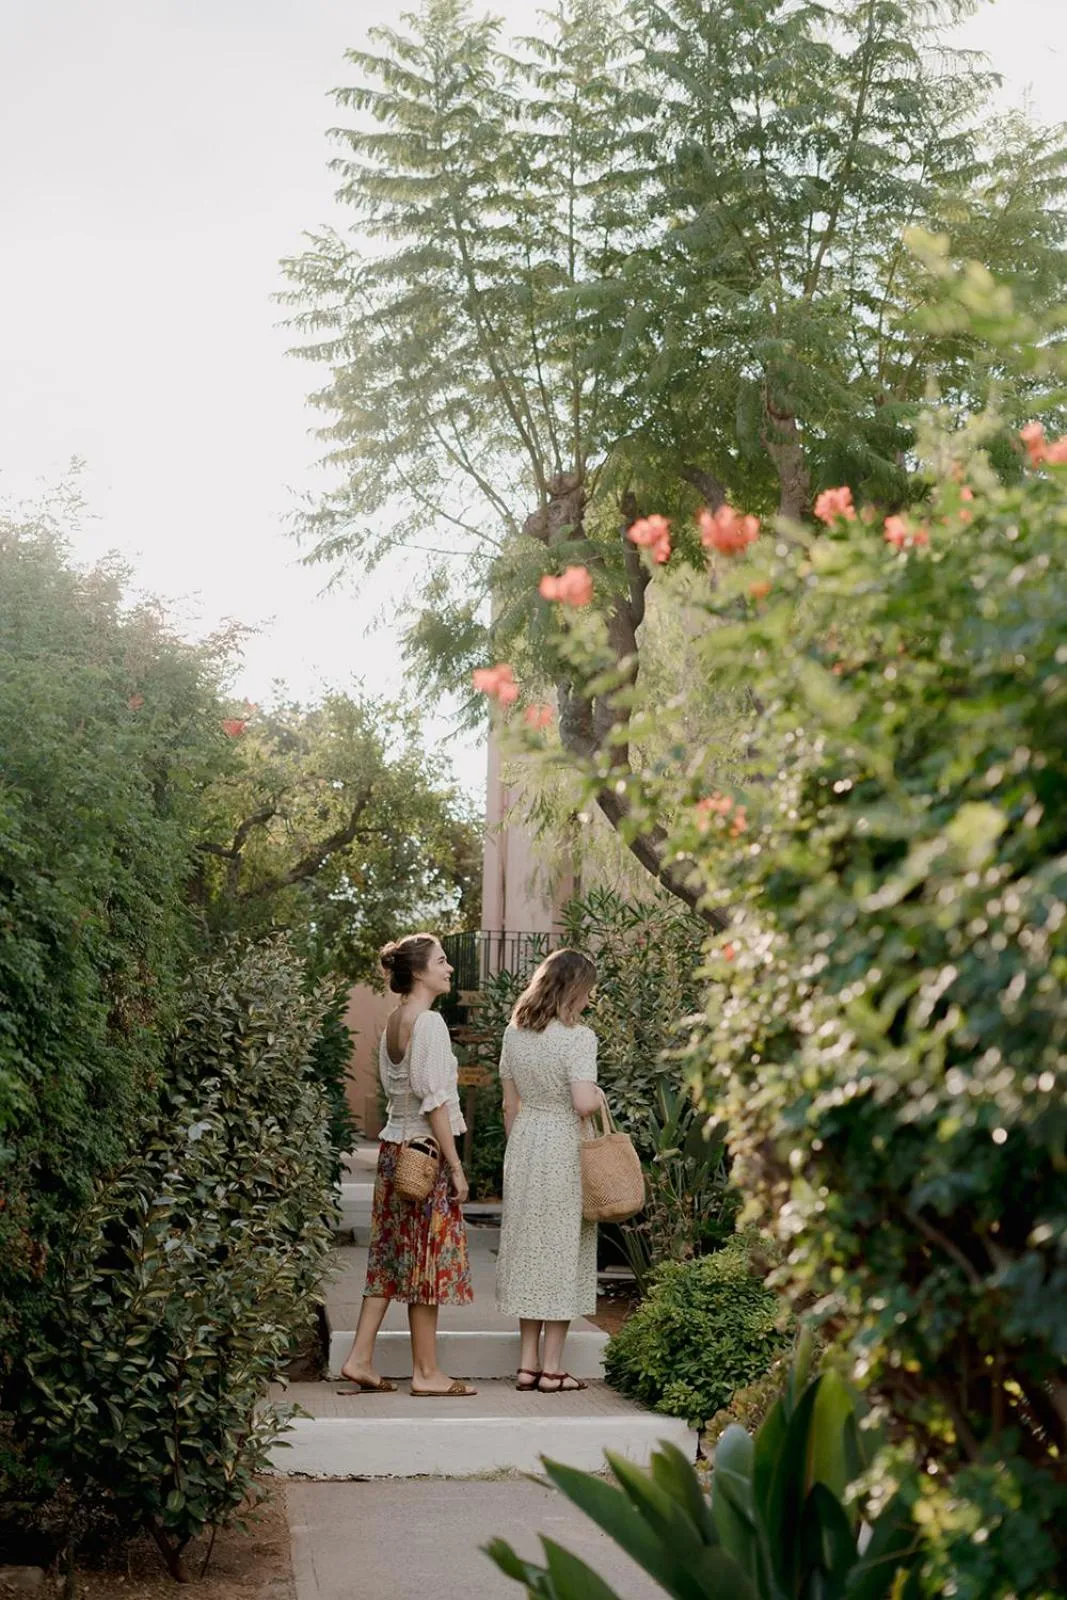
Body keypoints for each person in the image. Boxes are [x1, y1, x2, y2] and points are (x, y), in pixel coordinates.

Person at [338, 932, 476, 1398]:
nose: (449, 968)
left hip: (394, 1154)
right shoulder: (430, 1024)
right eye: (441, 961)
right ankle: (426, 1373)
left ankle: (359, 1357)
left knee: (390, 1258)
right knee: (425, 1263)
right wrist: (455, 1167)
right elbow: (434, 1102)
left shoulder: (395, 1021)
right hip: (424, 1156)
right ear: (418, 972)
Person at [496, 948, 604, 1392]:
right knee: (562, 1250)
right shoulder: (580, 1038)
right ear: (575, 989)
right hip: (563, 1144)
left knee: (530, 1250)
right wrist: (599, 1096)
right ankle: (553, 1369)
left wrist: (517, 1147)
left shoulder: (514, 1034)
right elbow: (581, 1104)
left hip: (525, 1143)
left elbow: (508, 1102)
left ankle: (526, 1364)